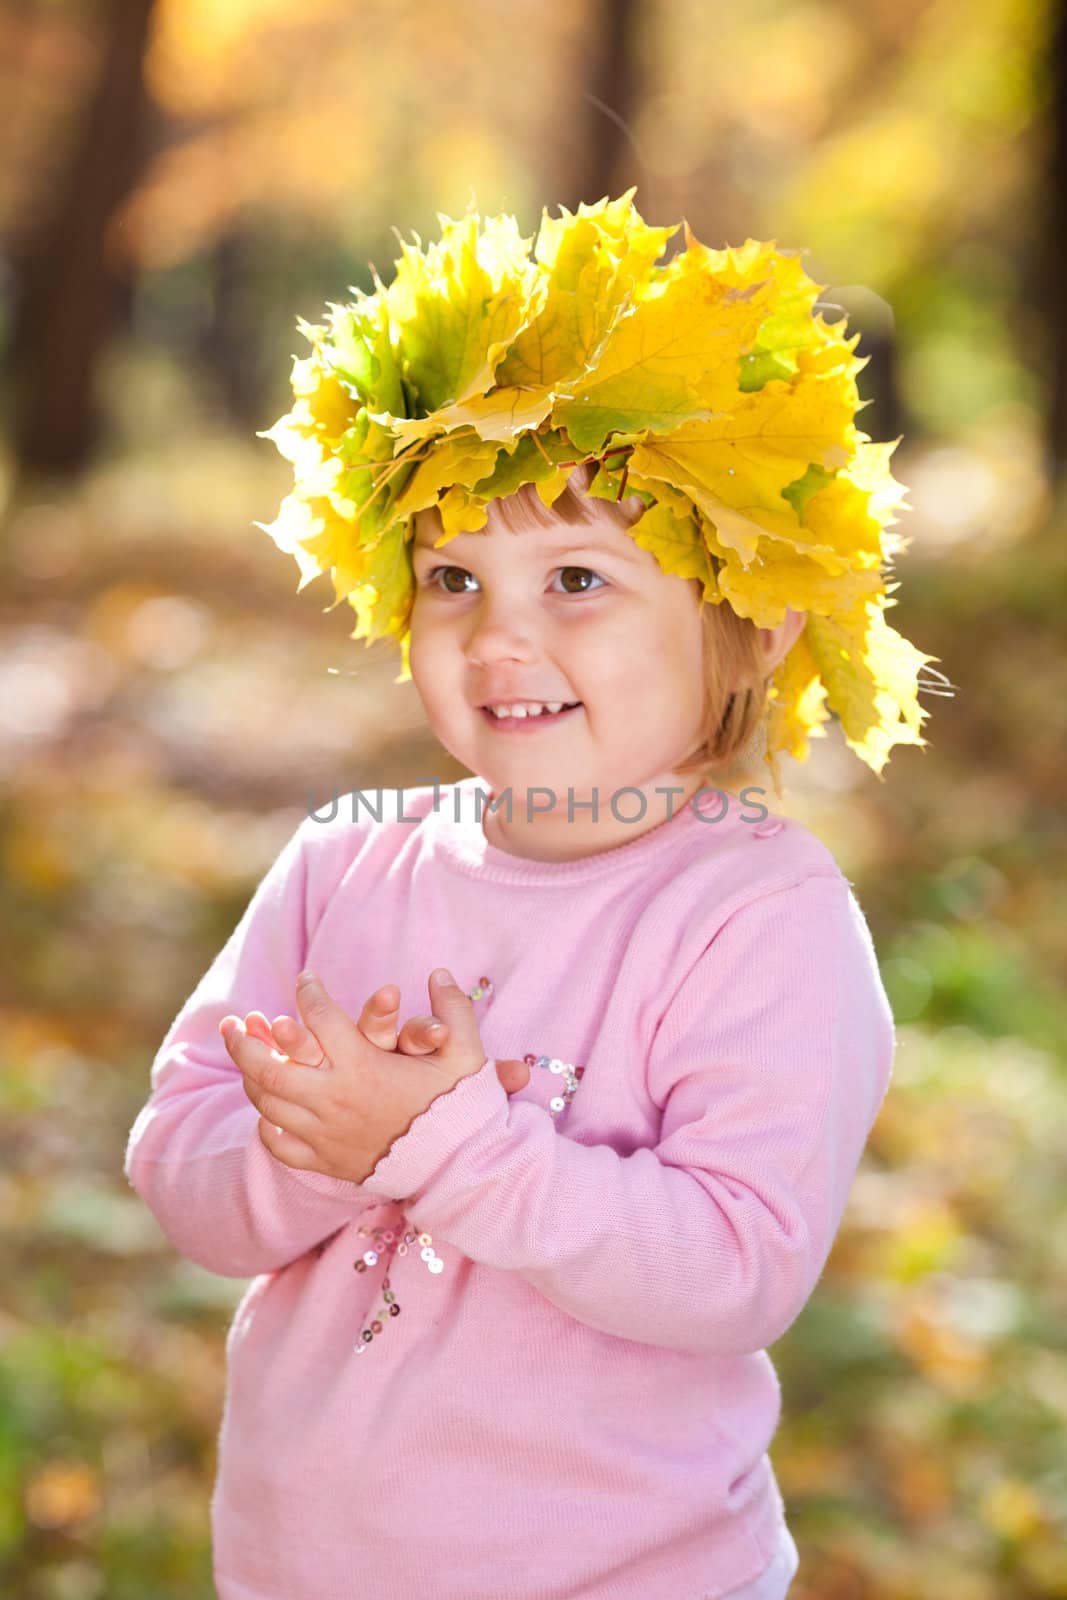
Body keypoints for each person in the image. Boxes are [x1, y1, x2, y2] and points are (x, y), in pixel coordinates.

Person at [124, 191, 937, 1600]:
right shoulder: (346, 855)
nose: (502, 634)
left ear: (753, 611)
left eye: (576, 577)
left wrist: (445, 1145)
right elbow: (181, 1166)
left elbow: (736, 1266)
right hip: (298, 1569)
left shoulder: (758, 914)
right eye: (453, 578)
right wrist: (320, 1145)